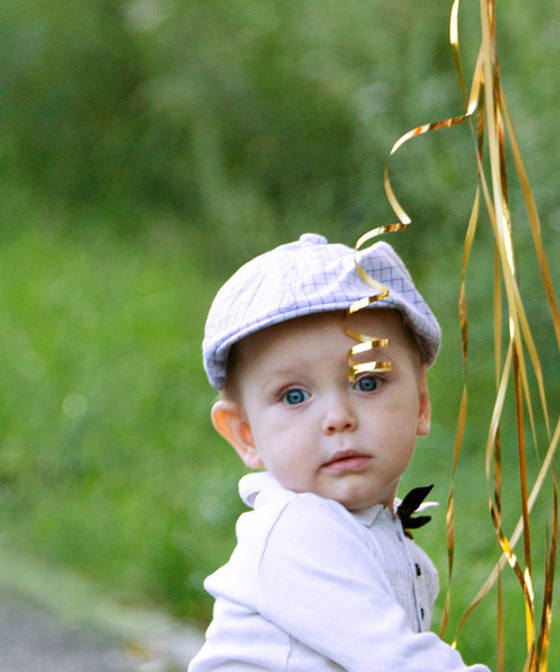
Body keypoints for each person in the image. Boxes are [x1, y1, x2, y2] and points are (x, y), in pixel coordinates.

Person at [191, 233, 489, 672]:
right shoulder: (299, 532)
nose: (338, 417)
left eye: (367, 382)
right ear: (245, 434)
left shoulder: (383, 538)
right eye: (294, 396)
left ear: (421, 405)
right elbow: (401, 664)